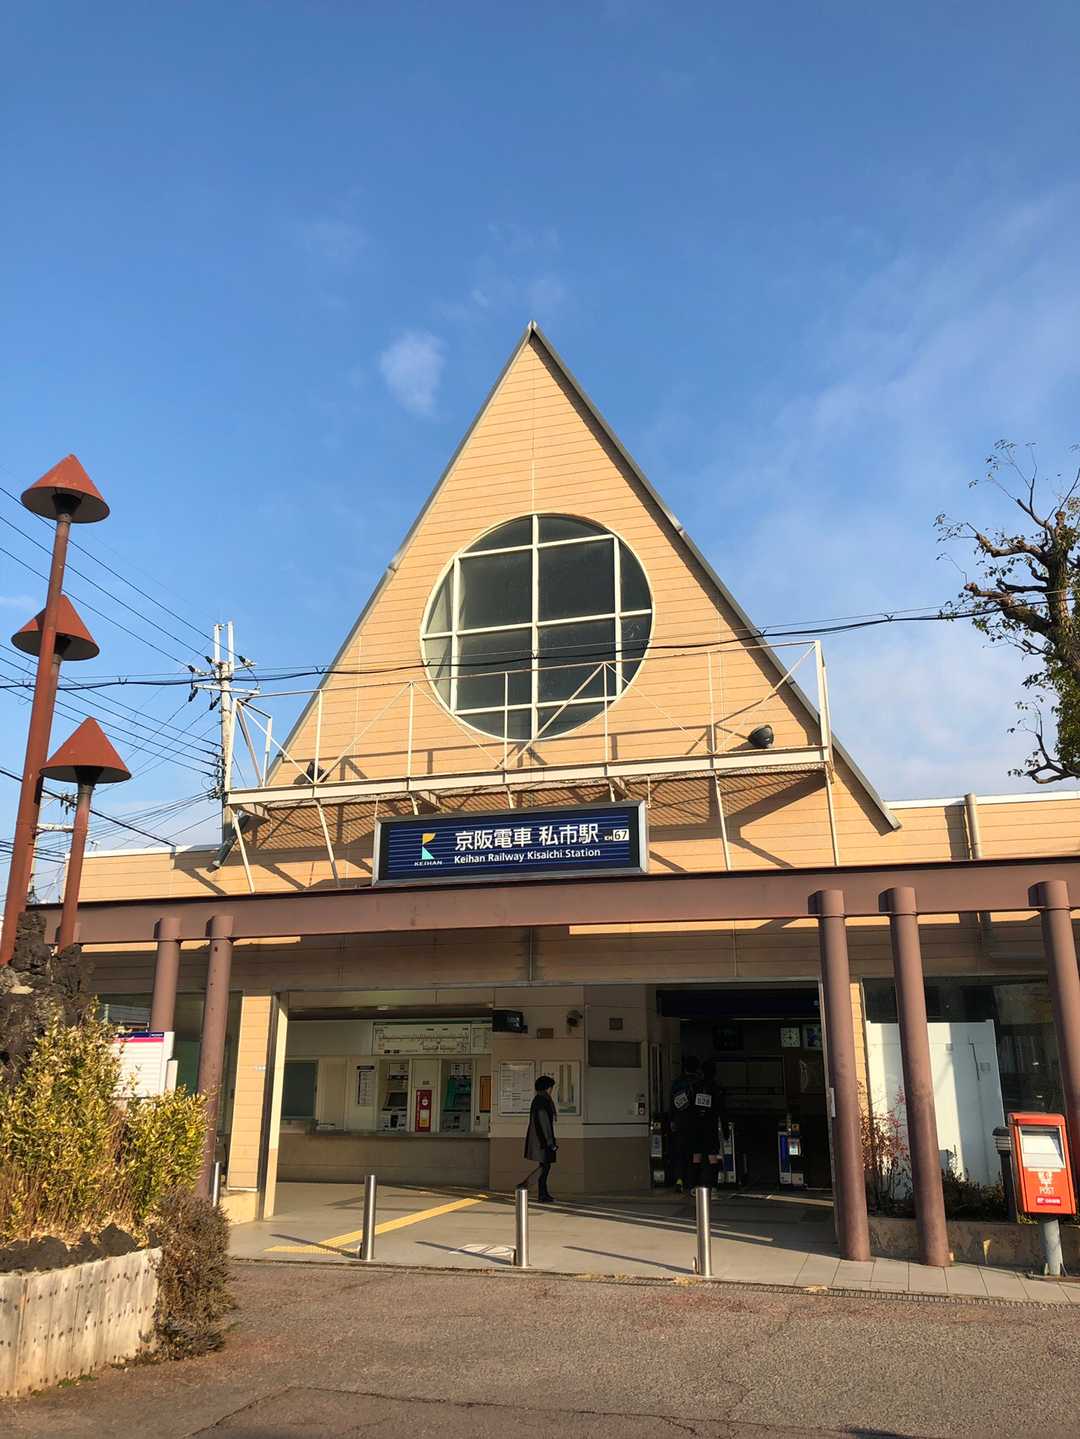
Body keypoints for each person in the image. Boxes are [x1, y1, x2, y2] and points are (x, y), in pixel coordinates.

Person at [524, 1074, 558, 1203]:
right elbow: (545, 1123)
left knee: (544, 1166)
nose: (552, 1090)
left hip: (540, 1140)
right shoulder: (542, 1101)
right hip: (542, 1141)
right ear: (547, 1087)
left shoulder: (539, 1099)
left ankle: (542, 1193)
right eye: (551, 1087)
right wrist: (550, 1142)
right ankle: (526, 1186)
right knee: (544, 1167)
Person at [668, 1054, 700, 1192]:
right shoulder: (698, 1083)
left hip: (679, 1123)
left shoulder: (677, 1083)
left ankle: (679, 1180)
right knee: (694, 1154)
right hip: (695, 1123)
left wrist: (672, 1120)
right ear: (697, 1068)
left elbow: (672, 1104)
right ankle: (692, 1182)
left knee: (680, 1153)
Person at [691, 1058, 723, 1190]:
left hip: (697, 1126)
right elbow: (721, 1109)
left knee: (696, 1156)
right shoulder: (716, 1088)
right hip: (710, 1126)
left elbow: (691, 1107)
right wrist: (725, 1127)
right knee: (712, 1157)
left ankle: (695, 1185)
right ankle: (713, 1185)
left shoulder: (695, 1087)